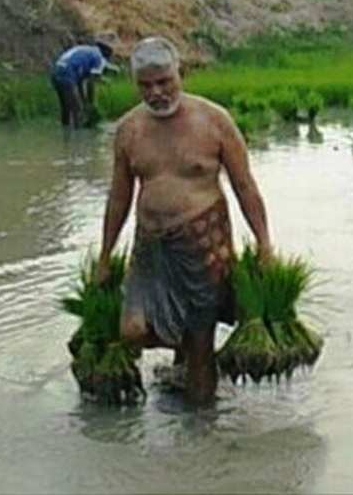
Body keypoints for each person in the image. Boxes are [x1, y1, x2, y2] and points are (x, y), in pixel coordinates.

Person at [95, 36, 273, 405]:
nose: (156, 92)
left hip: (203, 244)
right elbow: (118, 197)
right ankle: (185, 359)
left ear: (181, 73)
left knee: (199, 348)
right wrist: (104, 254)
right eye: (145, 85)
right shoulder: (129, 129)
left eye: (164, 82)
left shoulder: (214, 121)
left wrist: (264, 243)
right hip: (150, 246)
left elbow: (245, 187)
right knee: (132, 330)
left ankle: (202, 440)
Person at [51, 41, 120, 128]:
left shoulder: (86, 50)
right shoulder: (98, 57)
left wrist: (84, 100)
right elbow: (91, 82)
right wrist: (90, 103)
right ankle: (78, 137)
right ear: (106, 55)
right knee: (77, 110)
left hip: (56, 72)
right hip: (67, 74)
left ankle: (65, 133)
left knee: (66, 108)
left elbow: (80, 82)